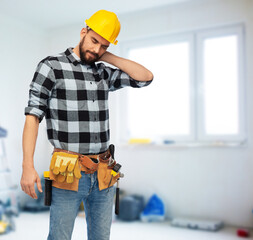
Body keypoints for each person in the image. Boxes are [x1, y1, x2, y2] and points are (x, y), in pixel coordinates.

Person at [21, 9, 154, 240]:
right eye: (93, 41)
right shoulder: (52, 67)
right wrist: (27, 166)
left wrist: (107, 57)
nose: (96, 49)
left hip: (104, 172)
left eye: (104, 45)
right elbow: (33, 115)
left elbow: (145, 78)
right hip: (68, 172)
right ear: (83, 32)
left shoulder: (103, 72)